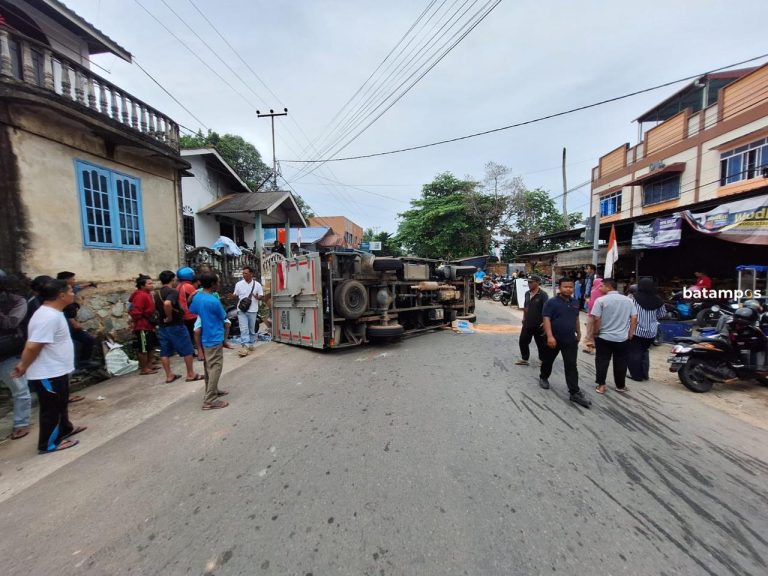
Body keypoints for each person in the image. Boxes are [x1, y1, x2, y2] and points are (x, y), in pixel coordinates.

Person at [12, 279, 86, 454]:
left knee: (60, 404)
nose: (73, 293)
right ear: (61, 295)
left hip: (58, 369)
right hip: (47, 372)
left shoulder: (54, 313)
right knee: (51, 408)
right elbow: (32, 346)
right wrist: (23, 365)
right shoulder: (47, 316)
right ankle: (48, 444)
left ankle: (65, 428)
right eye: (70, 291)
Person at [540, 278, 591, 408]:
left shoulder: (575, 302)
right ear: (559, 288)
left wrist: (579, 332)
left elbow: (576, 317)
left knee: (571, 365)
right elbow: (546, 319)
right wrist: (550, 336)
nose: (568, 289)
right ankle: (543, 377)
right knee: (548, 360)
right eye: (565, 287)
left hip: (570, 339)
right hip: (554, 339)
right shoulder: (551, 302)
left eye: (570, 287)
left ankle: (574, 392)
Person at [189, 272, 229, 410]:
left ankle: (212, 390)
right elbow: (223, 316)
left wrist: (191, 296)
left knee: (209, 367)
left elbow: (191, 309)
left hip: (206, 336)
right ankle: (210, 400)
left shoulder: (198, 297)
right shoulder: (213, 300)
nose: (218, 284)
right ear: (212, 284)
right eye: (217, 282)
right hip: (214, 336)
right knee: (215, 368)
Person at [0, 271, 32, 440]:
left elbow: (11, 322)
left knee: (19, 389)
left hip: (8, 351)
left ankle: (21, 423)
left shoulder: (17, 301)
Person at [592, 278, 637, 395]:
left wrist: (595, 332)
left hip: (604, 337)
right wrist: (630, 333)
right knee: (621, 362)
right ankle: (620, 386)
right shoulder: (628, 300)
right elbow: (634, 318)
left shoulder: (600, 300)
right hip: (622, 338)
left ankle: (601, 385)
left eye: (601, 286)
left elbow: (596, 319)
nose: (600, 288)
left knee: (602, 361)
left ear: (608, 287)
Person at [155, 270, 202, 384]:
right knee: (187, 349)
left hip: (162, 326)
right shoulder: (172, 291)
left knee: (164, 352)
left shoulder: (157, 293)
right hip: (175, 324)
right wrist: (170, 317)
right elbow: (167, 303)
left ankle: (169, 375)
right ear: (172, 279)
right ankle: (190, 374)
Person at [56, 271, 97, 371]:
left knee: (88, 339)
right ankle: (73, 367)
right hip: (66, 323)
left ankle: (84, 362)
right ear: (66, 280)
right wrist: (72, 321)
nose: (74, 281)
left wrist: (89, 284)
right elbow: (63, 309)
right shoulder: (59, 293)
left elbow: (78, 287)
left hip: (70, 322)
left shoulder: (71, 289)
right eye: (72, 279)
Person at [627, 278, 666, 381]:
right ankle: (645, 374)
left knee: (634, 352)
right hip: (651, 332)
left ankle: (636, 376)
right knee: (644, 351)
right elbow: (662, 314)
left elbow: (627, 312)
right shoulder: (658, 299)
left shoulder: (632, 298)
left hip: (636, 330)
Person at [128, 274, 159, 375]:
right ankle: (144, 368)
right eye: (149, 284)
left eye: (151, 283)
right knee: (144, 348)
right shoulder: (140, 296)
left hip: (149, 325)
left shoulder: (147, 294)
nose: (152, 285)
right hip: (142, 326)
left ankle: (149, 365)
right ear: (142, 285)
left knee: (150, 346)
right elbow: (136, 312)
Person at [516, 276, 548, 366]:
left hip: (539, 324)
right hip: (528, 323)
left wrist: (545, 322)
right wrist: (524, 318)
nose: (529, 284)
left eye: (531, 282)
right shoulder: (527, 293)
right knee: (523, 341)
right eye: (528, 282)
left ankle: (542, 360)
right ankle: (524, 359)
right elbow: (526, 307)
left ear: (537, 282)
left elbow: (547, 309)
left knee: (541, 343)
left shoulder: (543, 295)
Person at [232, 266, 263, 357]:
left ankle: (251, 343)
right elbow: (235, 294)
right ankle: (244, 346)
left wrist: (258, 297)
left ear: (251, 274)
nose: (244, 275)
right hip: (241, 310)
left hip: (253, 310)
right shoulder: (238, 284)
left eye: (245, 273)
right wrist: (232, 296)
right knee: (243, 329)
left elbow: (261, 295)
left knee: (251, 329)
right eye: (243, 273)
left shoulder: (257, 285)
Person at [176, 267, 199, 356]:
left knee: (188, 335)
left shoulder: (179, 286)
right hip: (191, 314)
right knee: (195, 334)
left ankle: (191, 351)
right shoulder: (189, 286)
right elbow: (195, 299)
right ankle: (196, 351)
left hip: (183, 314)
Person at [582, 276, 604, 354]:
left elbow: (592, 304)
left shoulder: (594, 290)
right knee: (598, 332)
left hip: (592, 314)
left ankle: (589, 348)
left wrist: (587, 301)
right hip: (602, 315)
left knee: (590, 332)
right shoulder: (604, 291)